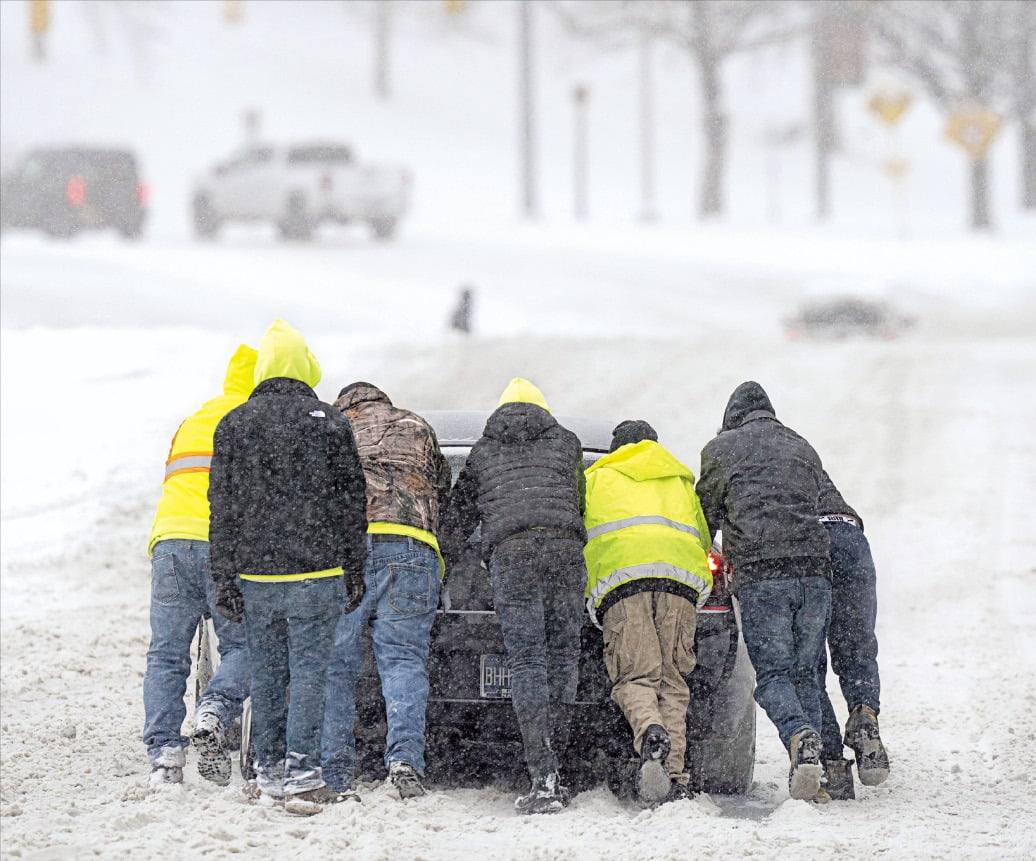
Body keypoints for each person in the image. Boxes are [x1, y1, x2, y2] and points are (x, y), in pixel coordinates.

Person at [208, 319, 368, 813]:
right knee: (310, 677)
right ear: (305, 365)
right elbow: (351, 503)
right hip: (317, 575)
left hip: (257, 577)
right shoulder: (330, 421)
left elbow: (222, 507)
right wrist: (354, 567)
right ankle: (303, 776)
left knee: (269, 675)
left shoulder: (234, 424)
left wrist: (224, 576)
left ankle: (267, 773)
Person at [439, 378, 587, 815]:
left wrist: (445, 562)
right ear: (544, 411)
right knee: (564, 656)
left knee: (527, 660)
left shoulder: (483, 451)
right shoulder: (567, 443)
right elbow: (580, 503)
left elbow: (458, 517)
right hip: (564, 550)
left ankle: (542, 776)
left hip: (511, 553)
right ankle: (558, 766)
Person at [696, 381, 832, 803]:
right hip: (814, 572)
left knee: (772, 674)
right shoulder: (801, 445)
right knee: (808, 672)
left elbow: (703, 517)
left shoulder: (721, 450)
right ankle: (819, 774)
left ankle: (800, 736)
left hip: (762, 575)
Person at [321, 382, 452, 800]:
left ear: (346, 405)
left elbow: (319, 494)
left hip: (351, 549)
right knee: (404, 661)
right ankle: (404, 761)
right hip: (413, 548)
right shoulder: (416, 424)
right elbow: (442, 489)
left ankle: (335, 771)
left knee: (336, 666)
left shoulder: (336, 429)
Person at [583, 420, 714, 806]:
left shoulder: (597, 479)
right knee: (673, 681)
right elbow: (703, 538)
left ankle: (650, 731)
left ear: (615, 449)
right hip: (680, 585)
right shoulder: (678, 480)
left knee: (636, 677)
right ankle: (674, 776)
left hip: (622, 585)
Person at [143, 344, 256, 788]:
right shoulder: (249, 422)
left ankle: (165, 757)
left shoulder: (193, 419)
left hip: (169, 542)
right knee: (245, 645)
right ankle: (215, 709)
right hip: (219, 545)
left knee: (167, 654)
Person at [815, 470, 890, 799]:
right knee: (856, 648)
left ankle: (832, 764)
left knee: (807, 662)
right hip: (850, 536)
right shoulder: (798, 449)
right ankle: (864, 714)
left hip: (810, 546)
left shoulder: (737, 463)